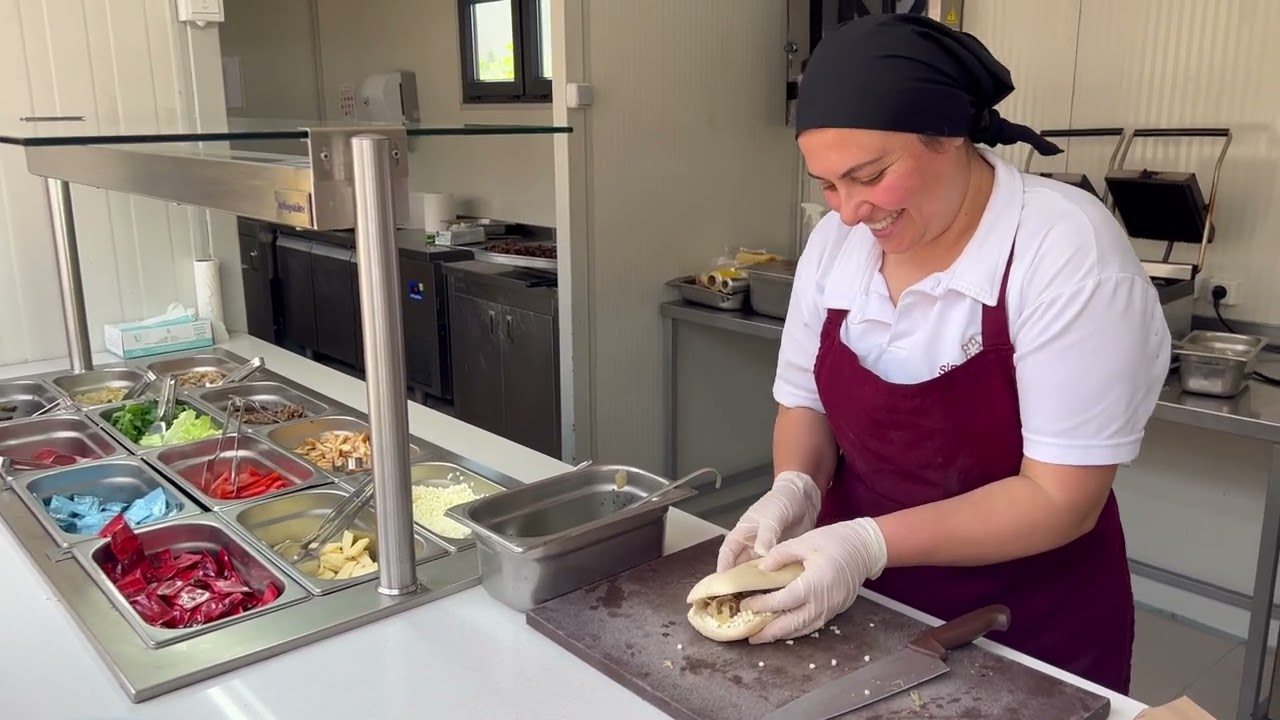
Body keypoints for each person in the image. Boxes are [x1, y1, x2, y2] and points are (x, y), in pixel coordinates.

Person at [717, 13, 1170, 695]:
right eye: (828, 185)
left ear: (950, 136)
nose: (847, 212)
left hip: (1026, 624)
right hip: (854, 609)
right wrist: (795, 489)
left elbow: (1060, 498)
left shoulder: (1063, 250)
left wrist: (866, 544)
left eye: (868, 176)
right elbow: (804, 403)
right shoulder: (838, 247)